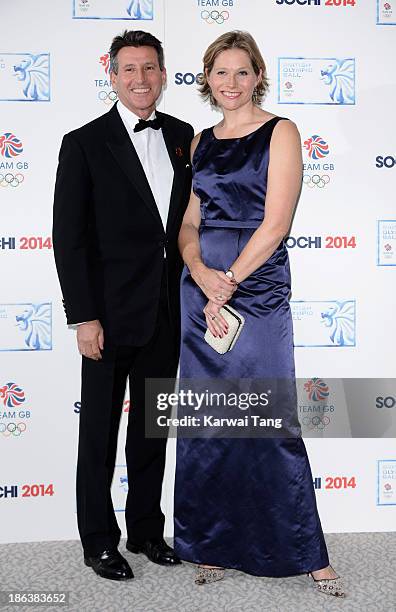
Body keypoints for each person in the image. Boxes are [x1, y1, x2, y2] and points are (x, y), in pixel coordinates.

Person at [174, 31, 345, 597]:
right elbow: (189, 222)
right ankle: (209, 543)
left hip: (256, 283)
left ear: (258, 76)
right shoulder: (199, 141)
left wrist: (229, 281)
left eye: (242, 72)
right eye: (220, 73)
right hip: (202, 288)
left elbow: (276, 223)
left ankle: (304, 550)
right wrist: (199, 272)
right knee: (209, 419)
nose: (231, 83)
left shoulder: (282, 132)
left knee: (271, 417)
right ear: (207, 78)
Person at [53, 30, 193, 581]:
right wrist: (83, 316)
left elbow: (184, 225)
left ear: (163, 74)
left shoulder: (183, 136)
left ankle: (145, 531)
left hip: (165, 314)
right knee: (100, 435)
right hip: (106, 320)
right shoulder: (84, 142)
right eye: (129, 69)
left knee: (152, 431)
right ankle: (98, 541)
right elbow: (70, 238)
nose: (141, 79)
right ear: (111, 75)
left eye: (150, 68)